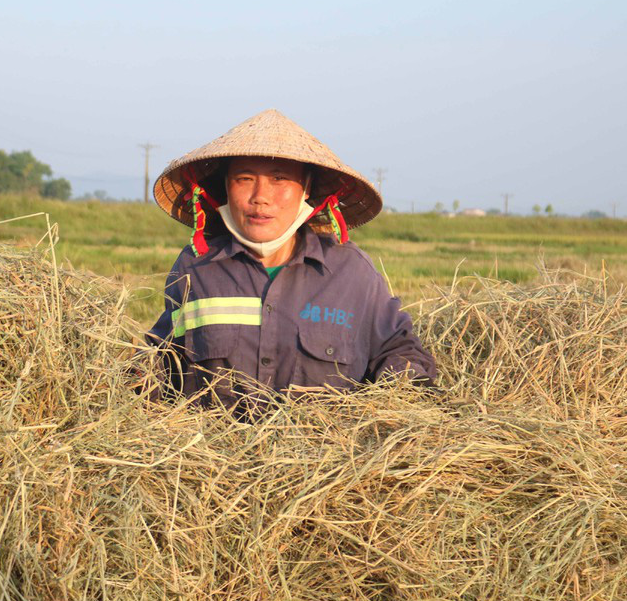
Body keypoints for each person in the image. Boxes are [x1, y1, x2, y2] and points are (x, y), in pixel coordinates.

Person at [146, 109, 435, 410]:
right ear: (226, 187)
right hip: (213, 454)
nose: (260, 197)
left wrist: (402, 395)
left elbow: (398, 349)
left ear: (306, 188)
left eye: (279, 179)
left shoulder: (351, 274)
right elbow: (163, 358)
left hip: (326, 454)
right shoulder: (196, 268)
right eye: (244, 179)